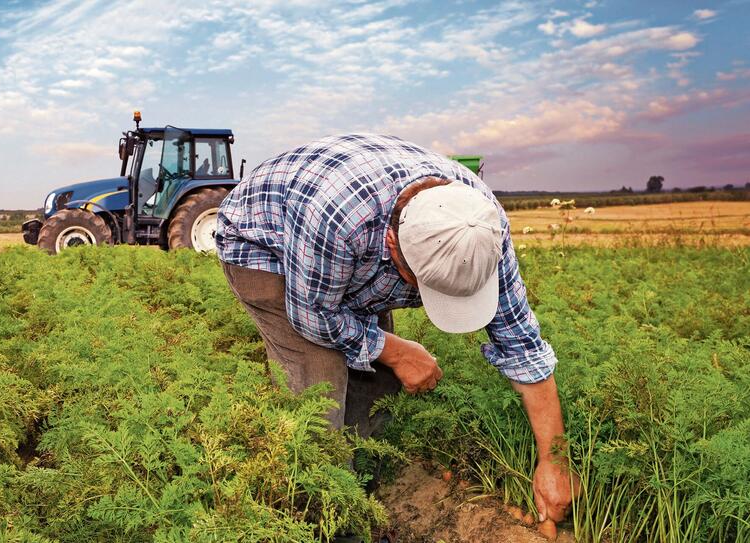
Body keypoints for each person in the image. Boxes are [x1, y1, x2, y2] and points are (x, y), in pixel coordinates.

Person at [215, 133, 577, 524]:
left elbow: (521, 344)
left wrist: (554, 460)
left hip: (345, 245)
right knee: (319, 392)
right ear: (392, 246)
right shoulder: (339, 220)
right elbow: (314, 316)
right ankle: (321, 516)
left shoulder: (480, 225)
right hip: (266, 244)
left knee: (378, 382)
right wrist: (399, 351)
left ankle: (367, 490)